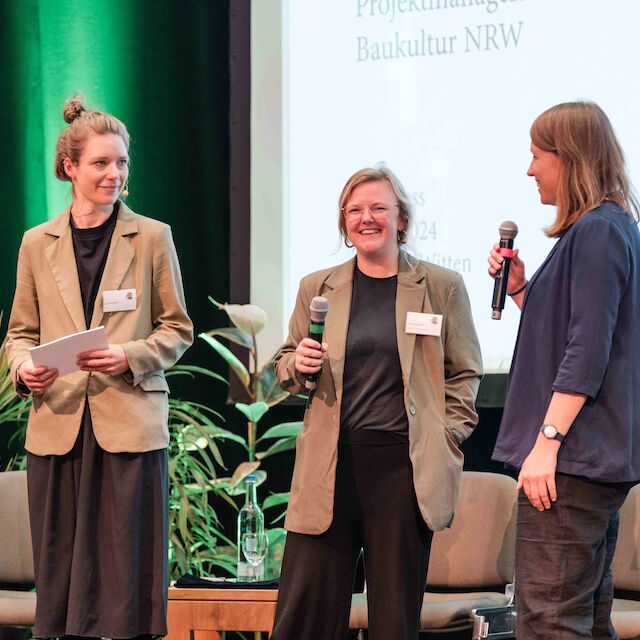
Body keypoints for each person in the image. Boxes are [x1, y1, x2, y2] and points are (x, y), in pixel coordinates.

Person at [6, 95, 193, 639]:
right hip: (59, 427)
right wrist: (24, 370)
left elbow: (178, 329)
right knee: (63, 585)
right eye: (101, 163)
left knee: (128, 586)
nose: (115, 174)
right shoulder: (36, 244)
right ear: (70, 167)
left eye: (121, 163)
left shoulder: (152, 237)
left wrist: (129, 356)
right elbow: (20, 334)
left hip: (127, 425)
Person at [271, 166, 483, 640]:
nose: (366, 218)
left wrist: (444, 434)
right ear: (344, 222)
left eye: (378, 208)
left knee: (393, 621)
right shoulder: (317, 287)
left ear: (401, 220)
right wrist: (297, 364)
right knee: (304, 618)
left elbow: (466, 372)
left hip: (402, 470)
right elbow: (285, 365)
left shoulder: (440, 286)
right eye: (355, 210)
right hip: (330, 465)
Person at [487, 101, 640, 639]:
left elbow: (588, 348)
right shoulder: (601, 229)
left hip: (572, 459)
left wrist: (547, 440)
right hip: (585, 461)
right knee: (582, 622)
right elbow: (576, 331)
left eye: (536, 156)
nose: (530, 170)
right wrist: (521, 290)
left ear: (568, 158)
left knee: (550, 622)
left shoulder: (598, 230)